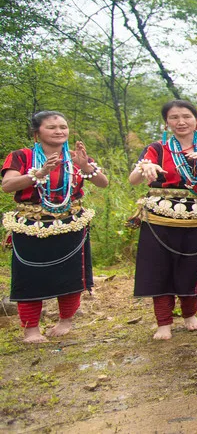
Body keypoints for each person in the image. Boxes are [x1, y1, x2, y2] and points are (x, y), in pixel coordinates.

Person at [129, 100, 197, 341]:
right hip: (159, 216)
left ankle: (190, 314)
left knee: (192, 266)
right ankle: (163, 322)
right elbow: (134, 180)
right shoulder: (156, 149)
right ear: (166, 122)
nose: (181, 122)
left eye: (186, 116)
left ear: (196, 120)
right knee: (159, 267)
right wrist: (145, 167)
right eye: (174, 117)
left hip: (194, 216)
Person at [2, 111, 109, 342]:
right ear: (36, 132)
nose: (59, 131)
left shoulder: (75, 157)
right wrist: (39, 174)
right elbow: (7, 185)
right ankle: (31, 330)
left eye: (63, 126)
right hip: (32, 225)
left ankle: (65, 321)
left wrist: (87, 167)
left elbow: (103, 182)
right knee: (28, 277)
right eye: (52, 127)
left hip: (71, 223)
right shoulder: (22, 157)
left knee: (70, 275)